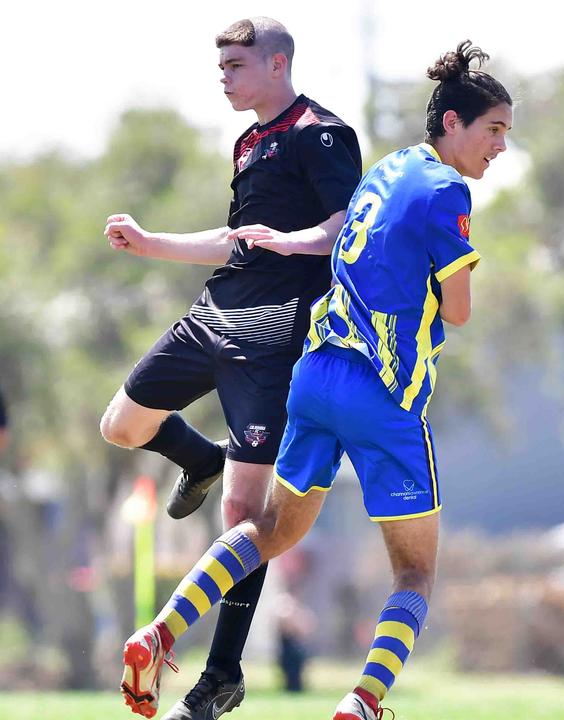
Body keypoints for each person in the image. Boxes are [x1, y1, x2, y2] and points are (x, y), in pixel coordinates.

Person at [120, 41, 511, 720]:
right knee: (414, 572)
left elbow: (335, 245)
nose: (500, 148)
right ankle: (360, 704)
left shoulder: (386, 172)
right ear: (452, 123)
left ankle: (161, 631)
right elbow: (458, 309)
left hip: (315, 376)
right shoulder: (446, 188)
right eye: (495, 130)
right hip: (381, 392)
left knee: (268, 529)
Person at [103, 17, 361, 720]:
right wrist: (152, 243)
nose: (225, 77)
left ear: (277, 65)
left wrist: (292, 241)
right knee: (122, 425)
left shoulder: (323, 133)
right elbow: (235, 238)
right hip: (213, 315)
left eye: (237, 65)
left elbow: (346, 230)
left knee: (244, 516)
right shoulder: (250, 140)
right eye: (221, 66)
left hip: (274, 335)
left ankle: (221, 675)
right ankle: (203, 457)